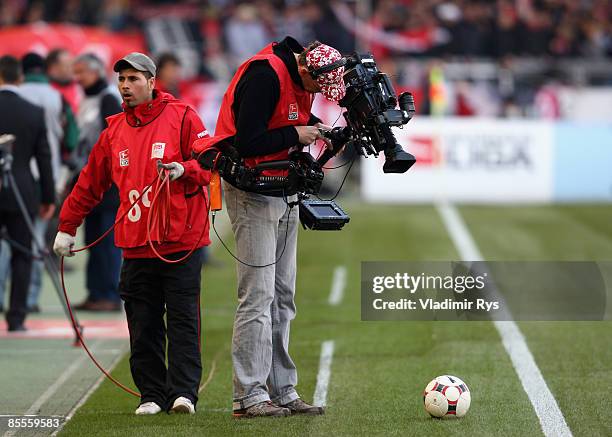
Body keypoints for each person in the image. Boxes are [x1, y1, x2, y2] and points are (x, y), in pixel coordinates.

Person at [193, 36, 345, 418]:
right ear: (306, 69)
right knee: (257, 297)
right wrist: (298, 134)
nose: (317, 93)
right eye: (316, 86)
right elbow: (248, 140)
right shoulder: (265, 74)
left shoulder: (295, 74)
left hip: (281, 185)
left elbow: (287, 117)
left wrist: (319, 129)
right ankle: (249, 395)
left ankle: (282, 390)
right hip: (252, 189)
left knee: (282, 296)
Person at [53, 53, 212, 415]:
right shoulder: (113, 131)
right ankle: (152, 395)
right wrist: (67, 226)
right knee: (142, 325)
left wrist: (183, 169)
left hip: (180, 242)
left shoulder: (184, 116)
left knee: (184, 321)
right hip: (135, 244)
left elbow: (210, 162)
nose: (125, 85)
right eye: (122, 79)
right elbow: (89, 183)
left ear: (152, 82)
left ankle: (184, 393)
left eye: (133, 78)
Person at [0, 55, 55, 331]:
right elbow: (44, 158)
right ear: (19, 79)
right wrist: (48, 197)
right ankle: (17, 317)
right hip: (22, 191)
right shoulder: (33, 111)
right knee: (22, 254)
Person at [71, 53, 123, 312]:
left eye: (82, 72)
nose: (77, 78)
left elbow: (113, 141)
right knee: (92, 239)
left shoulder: (109, 98)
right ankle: (95, 292)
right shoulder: (88, 99)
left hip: (107, 185)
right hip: (90, 181)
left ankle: (110, 295)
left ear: (96, 71)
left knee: (107, 241)